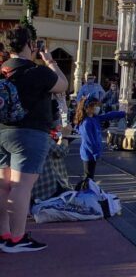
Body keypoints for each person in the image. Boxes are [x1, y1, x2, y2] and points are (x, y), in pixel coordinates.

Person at [0, 26, 68, 253]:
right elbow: (63, 85)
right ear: (29, 45)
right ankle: (17, 239)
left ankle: (4, 233)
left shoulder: (3, 71)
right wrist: (50, 61)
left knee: (3, 186)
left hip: (1, 132)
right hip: (29, 134)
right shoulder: (37, 72)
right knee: (21, 187)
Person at [73, 98, 125, 188]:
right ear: (86, 108)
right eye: (93, 106)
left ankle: (85, 191)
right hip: (88, 154)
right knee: (88, 177)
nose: (96, 108)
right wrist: (96, 154)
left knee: (89, 176)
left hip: (91, 154)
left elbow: (108, 116)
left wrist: (122, 113)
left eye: (96, 105)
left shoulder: (94, 118)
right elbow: (89, 141)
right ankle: (82, 191)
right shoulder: (86, 123)